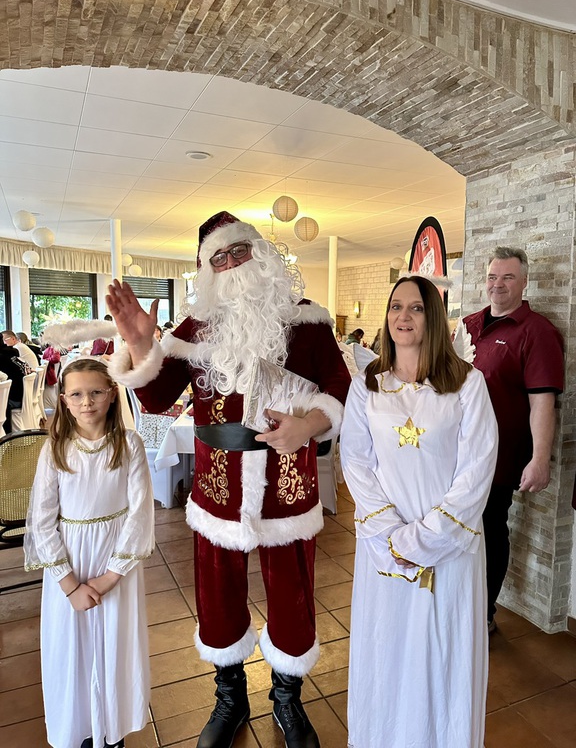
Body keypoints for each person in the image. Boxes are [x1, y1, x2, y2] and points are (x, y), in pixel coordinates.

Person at [106, 211, 350, 748]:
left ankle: (287, 698)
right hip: (219, 487)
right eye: (219, 257)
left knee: (292, 593)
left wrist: (309, 424)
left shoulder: (307, 321)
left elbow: (339, 385)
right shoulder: (196, 328)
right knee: (217, 595)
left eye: (239, 251)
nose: (232, 264)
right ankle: (230, 696)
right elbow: (156, 397)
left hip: (287, 483)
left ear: (260, 254)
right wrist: (142, 345)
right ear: (207, 270)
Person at [340, 276, 498, 748]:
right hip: (383, 546)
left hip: (449, 546)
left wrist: (422, 539)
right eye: (395, 307)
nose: (402, 317)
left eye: (415, 308)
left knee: (444, 652)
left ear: (433, 316)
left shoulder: (467, 383)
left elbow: (477, 468)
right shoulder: (367, 385)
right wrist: (392, 535)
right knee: (387, 647)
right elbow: (356, 460)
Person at [23, 358, 155, 748]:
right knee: (72, 648)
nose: (87, 402)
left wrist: (110, 576)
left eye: (96, 392)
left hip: (116, 564)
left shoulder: (129, 445)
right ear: (63, 400)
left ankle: (111, 728)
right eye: (77, 394)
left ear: (112, 395)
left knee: (115, 643)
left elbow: (139, 514)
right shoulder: (55, 450)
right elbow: (42, 522)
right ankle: (80, 726)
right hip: (70, 565)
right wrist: (70, 585)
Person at [463, 246, 564, 632]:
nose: (498, 284)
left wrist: (539, 458)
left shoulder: (537, 332)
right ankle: (459, 607)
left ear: (524, 282)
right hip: (458, 452)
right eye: (492, 277)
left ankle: (483, 616)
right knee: (459, 528)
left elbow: (543, 402)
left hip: (500, 456)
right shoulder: (469, 325)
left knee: (489, 528)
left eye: (507, 277)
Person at [0, 338, 26, 433]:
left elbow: (4, 377)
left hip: (14, 400)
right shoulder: (13, 353)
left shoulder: (2, 357)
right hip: (23, 396)